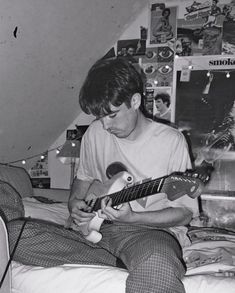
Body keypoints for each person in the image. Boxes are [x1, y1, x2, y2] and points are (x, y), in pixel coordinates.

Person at [68, 57, 201, 293]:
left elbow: (184, 214)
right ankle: (117, 260)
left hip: (146, 233)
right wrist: (74, 204)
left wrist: (133, 219)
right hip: (94, 232)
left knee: (156, 265)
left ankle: (129, 260)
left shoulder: (171, 141)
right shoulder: (94, 135)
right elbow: (83, 180)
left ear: (135, 100)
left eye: (112, 115)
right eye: (99, 117)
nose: (105, 126)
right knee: (16, 235)